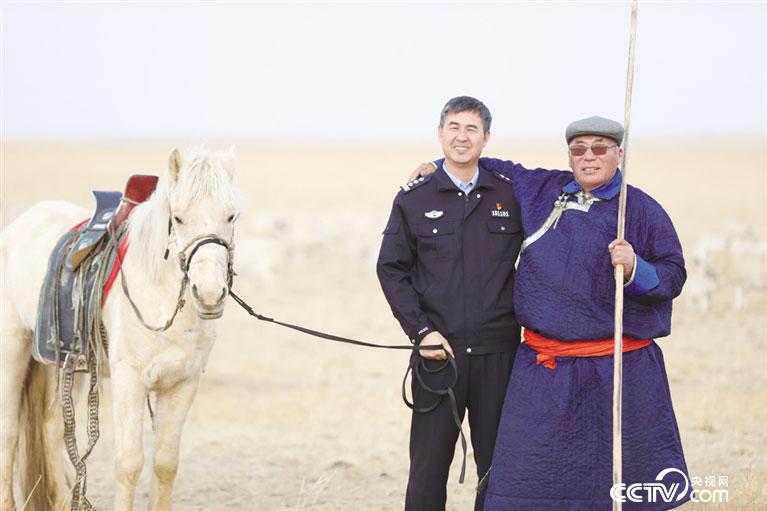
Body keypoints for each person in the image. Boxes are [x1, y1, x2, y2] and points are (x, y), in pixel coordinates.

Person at [414, 116, 690, 510]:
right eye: (579, 149)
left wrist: (634, 267)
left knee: (619, 480)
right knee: (529, 479)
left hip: (616, 369)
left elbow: (673, 275)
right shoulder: (543, 189)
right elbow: (496, 167)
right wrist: (439, 165)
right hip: (542, 371)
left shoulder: (640, 210)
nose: (589, 157)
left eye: (599, 148)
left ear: (619, 153)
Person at [376, 96, 524, 511]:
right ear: (440, 133)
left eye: (471, 129)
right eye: (454, 127)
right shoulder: (413, 198)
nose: (462, 137)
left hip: (499, 355)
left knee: (499, 471)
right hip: (438, 356)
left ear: (486, 137)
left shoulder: (510, 194)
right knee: (427, 471)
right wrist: (421, 331)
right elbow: (391, 269)